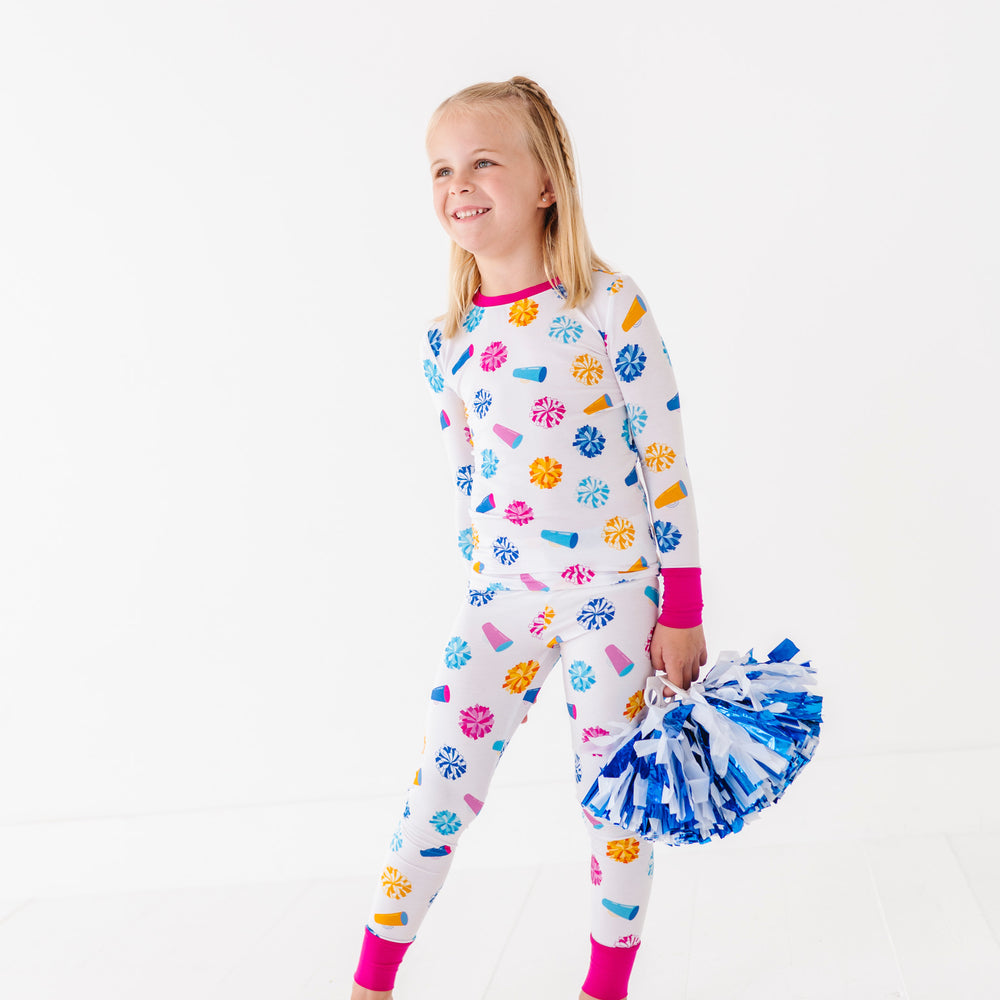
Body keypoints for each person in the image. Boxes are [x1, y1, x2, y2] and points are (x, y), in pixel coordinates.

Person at [350, 75, 707, 1000]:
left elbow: (664, 462)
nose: (457, 184)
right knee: (440, 779)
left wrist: (682, 607)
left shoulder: (607, 306)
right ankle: (372, 978)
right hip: (502, 603)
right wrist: (486, 580)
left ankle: (605, 985)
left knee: (615, 796)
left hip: (615, 596)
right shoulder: (450, 340)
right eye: (440, 168)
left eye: (481, 162)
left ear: (546, 183)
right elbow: (470, 481)